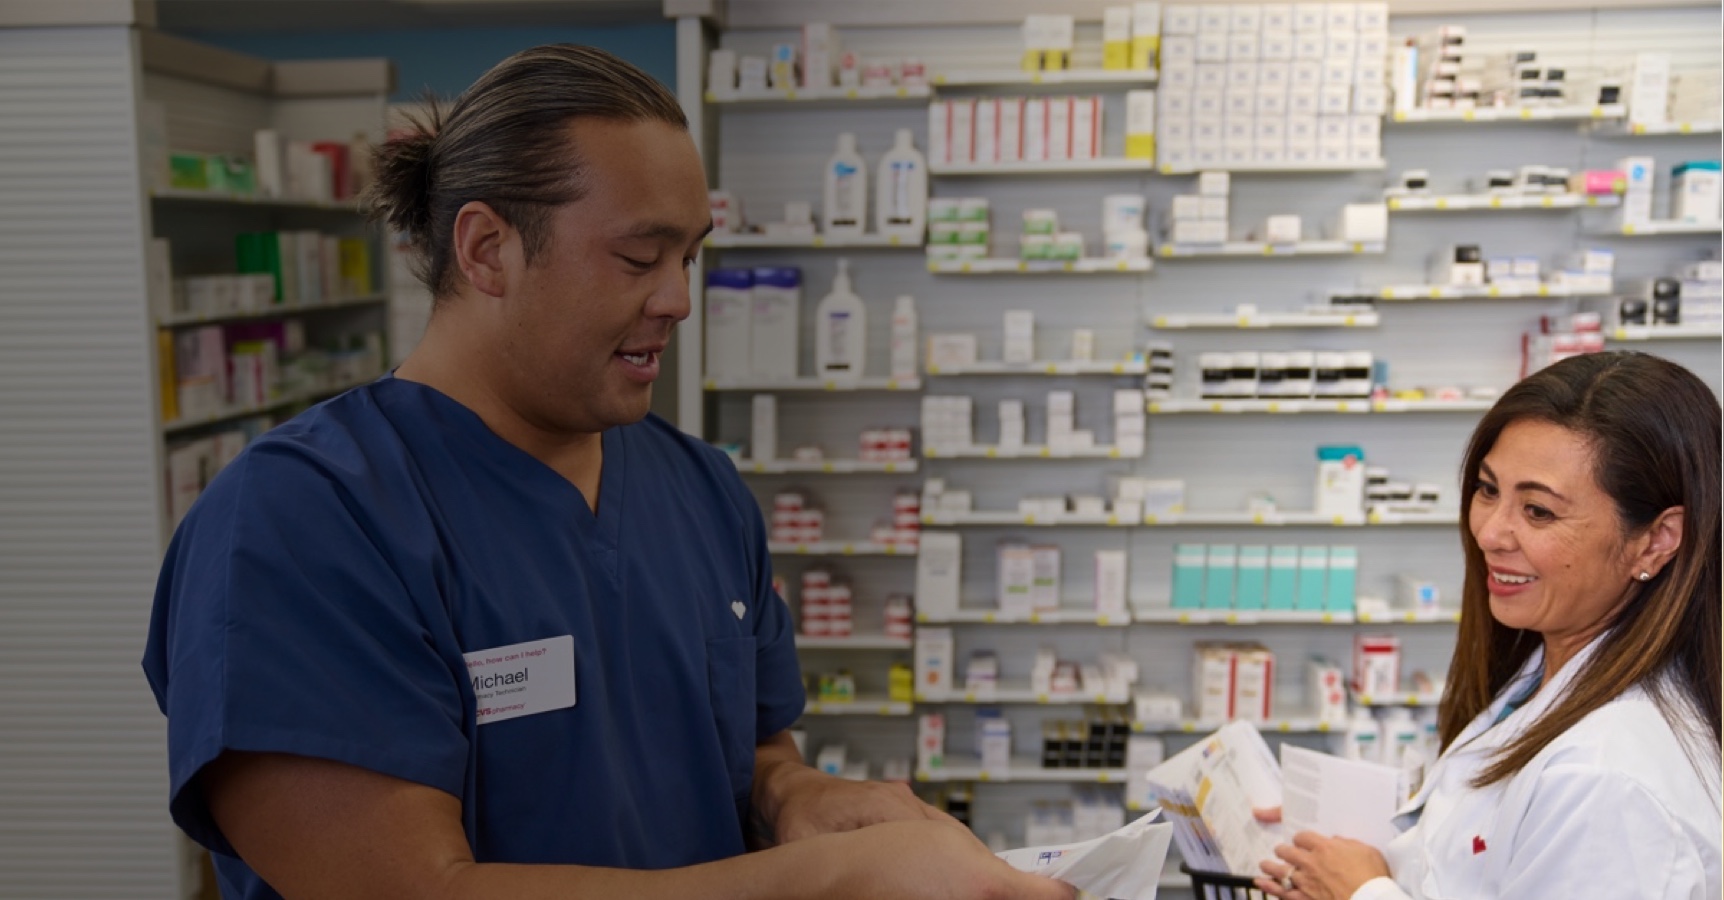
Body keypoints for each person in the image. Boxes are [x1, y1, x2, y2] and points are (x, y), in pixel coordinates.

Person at [142, 44, 1073, 900]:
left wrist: (797, 796)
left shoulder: (701, 490)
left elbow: (749, 749)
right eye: (638, 257)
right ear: (486, 249)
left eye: (690, 258)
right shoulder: (301, 521)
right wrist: (833, 878)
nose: (677, 300)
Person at [1254, 351, 1721, 900]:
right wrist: (1346, 836)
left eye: (1539, 511)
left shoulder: (1608, 782)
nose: (1490, 533)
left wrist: (1361, 893)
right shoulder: (1545, 676)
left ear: (1657, 539)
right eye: (1488, 489)